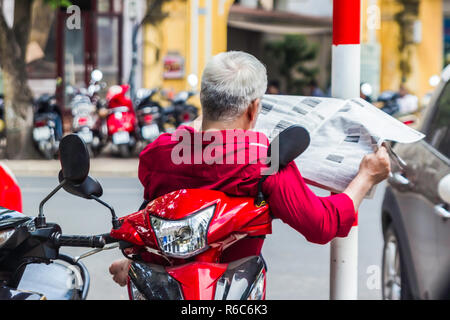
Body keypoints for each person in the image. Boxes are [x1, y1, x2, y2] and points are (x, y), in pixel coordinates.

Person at [109, 51, 391, 286]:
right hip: (231, 290)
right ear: (254, 109)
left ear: (204, 100)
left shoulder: (158, 154)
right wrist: (367, 176)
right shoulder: (263, 163)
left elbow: (162, 217)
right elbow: (322, 225)